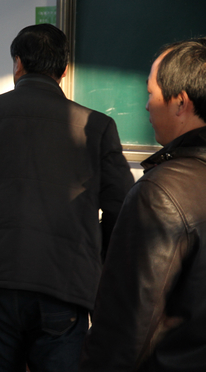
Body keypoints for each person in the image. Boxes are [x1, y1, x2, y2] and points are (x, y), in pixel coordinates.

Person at [0, 24, 134, 372]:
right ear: (64, 70)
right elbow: (122, 209)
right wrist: (95, 261)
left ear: (18, 63)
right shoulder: (97, 127)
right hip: (64, 282)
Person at [80, 39, 206, 371]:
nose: (147, 106)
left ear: (180, 103)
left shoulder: (161, 192)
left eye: (151, 94)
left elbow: (127, 325)